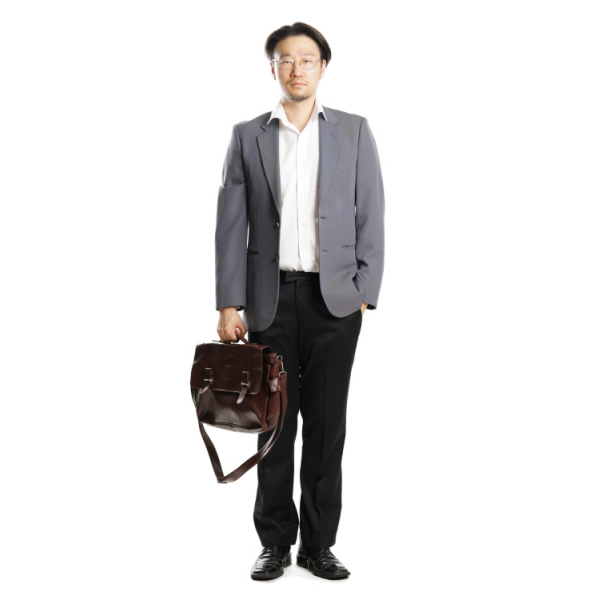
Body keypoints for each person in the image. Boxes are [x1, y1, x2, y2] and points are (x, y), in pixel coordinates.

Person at [215, 22, 385, 581]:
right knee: (274, 425)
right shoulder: (248, 136)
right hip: (267, 302)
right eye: (285, 59)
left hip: (335, 302)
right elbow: (230, 226)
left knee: (327, 427)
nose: (296, 69)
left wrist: (365, 292)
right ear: (273, 68)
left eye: (306, 59)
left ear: (322, 67)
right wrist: (229, 303)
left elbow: (371, 214)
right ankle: (274, 543)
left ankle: (318, 545)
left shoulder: (353, 131)